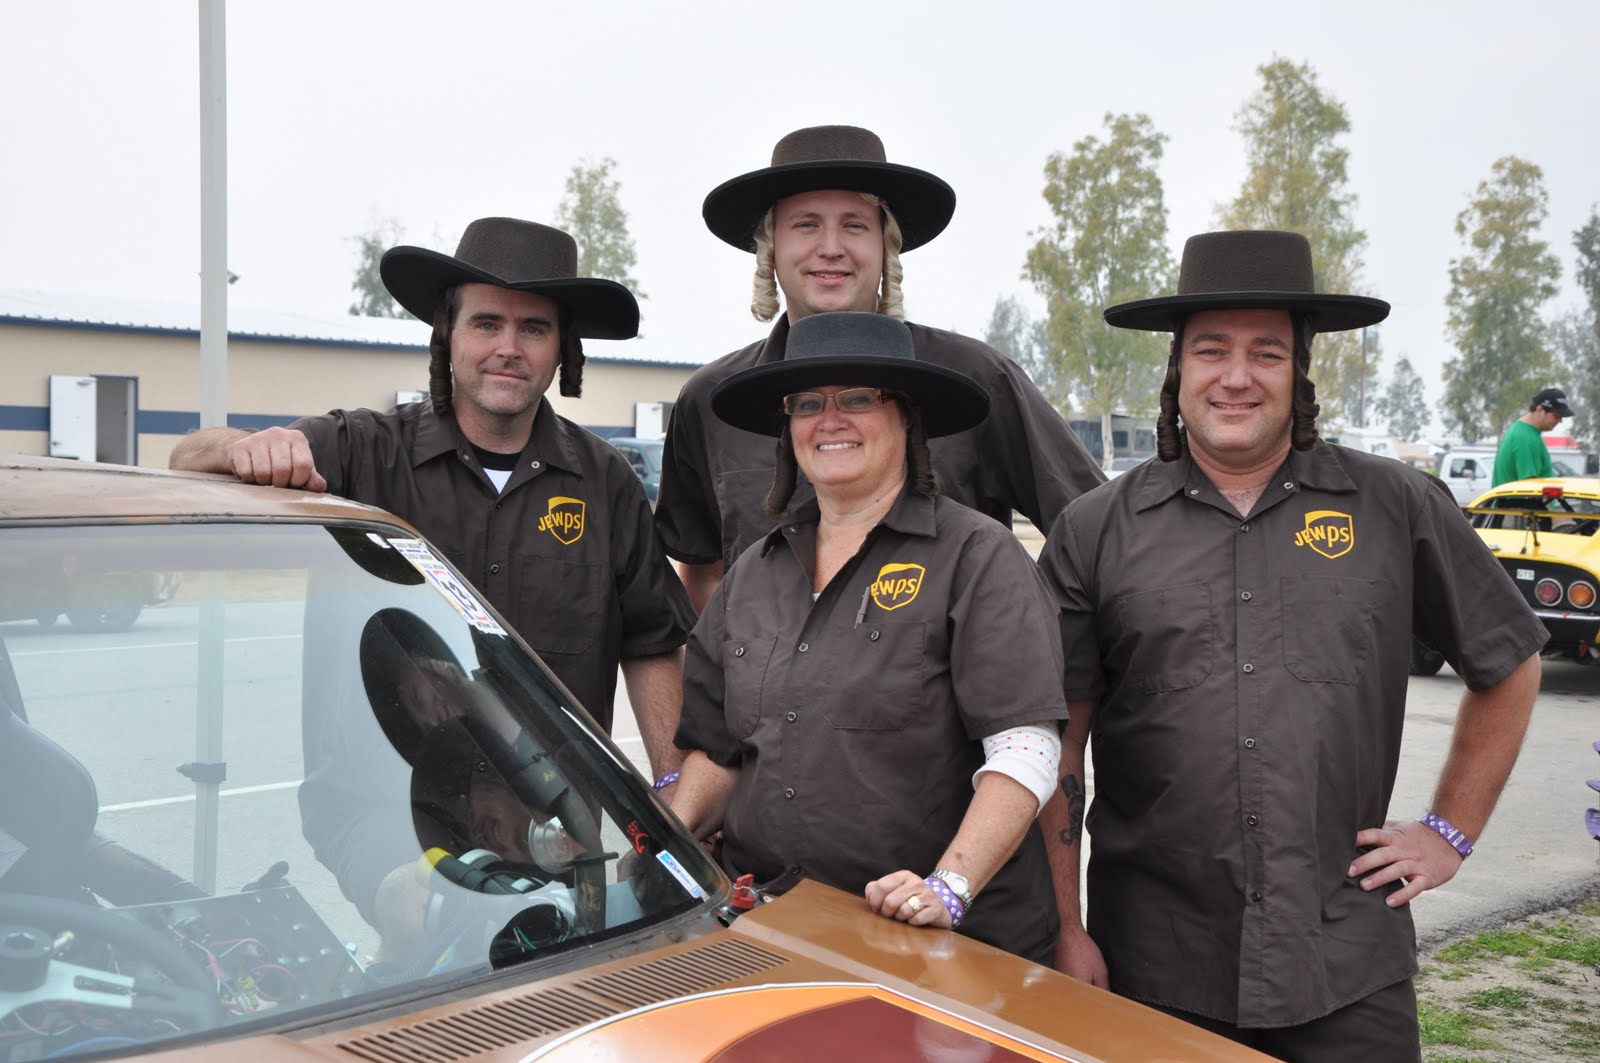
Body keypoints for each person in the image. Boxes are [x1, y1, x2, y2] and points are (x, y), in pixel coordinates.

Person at [1036, 230, 1545, 1060]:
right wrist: (1065, 924)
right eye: (1212, 350)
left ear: (1301, 371)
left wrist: (1449, 830)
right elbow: (1056, 739)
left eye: (1266, 352)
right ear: (1176, 369)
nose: (1236, 376)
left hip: (1344, 960)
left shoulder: (1396, 506)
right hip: (1152, 964)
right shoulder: (1095, 531)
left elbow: (1509, 658)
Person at [169, 218, 696, 775]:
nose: (508, 349)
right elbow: (187, 459)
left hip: (564, 814)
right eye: (486, 324)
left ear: (562, 349)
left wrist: (672, 790)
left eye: (534, 329)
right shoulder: (361, 451)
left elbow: (650, 643)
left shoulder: (607, 482)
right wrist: (244, 448)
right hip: (381, 812)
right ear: (448, 335)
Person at [668, 311, 1069, 964]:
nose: (831, 420)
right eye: (807, 404)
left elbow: (1026, 750)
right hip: (774, 932)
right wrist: (665, 846)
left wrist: (950, 886)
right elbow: (717, 751)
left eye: (858, 398)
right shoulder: (753, 574)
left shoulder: (978, 556)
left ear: (906, 417)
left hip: (939, 951)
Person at [654, 124, 1104, 613]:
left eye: (854, 225)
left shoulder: (975, 379)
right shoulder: (713, 400)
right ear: (771, 249)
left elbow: (1095, 537)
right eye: (806, 224)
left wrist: (1035, 649)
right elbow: (704, 573)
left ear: (886, 247)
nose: (831, 247)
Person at [1492, 387, 1573, 486]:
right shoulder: (1526, 439)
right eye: (1556, 416)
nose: (1560, 421)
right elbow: (1529, 489)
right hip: (1517, 502)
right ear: (1539, 410)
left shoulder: (1522, 431)